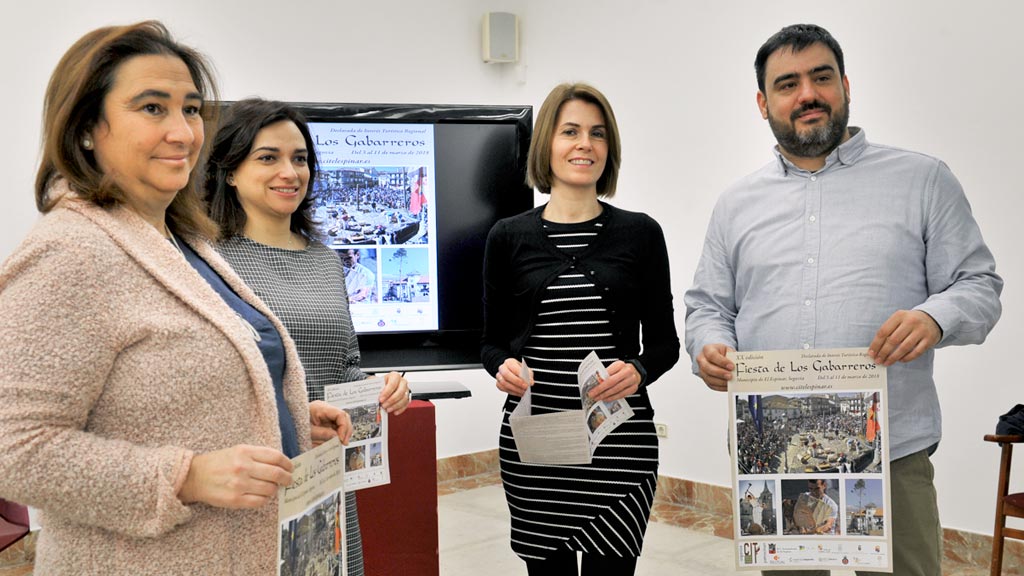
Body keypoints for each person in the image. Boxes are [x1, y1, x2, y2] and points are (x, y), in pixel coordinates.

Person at [0, 21, 353, 574]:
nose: (184, 133)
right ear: (87, 127)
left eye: (190, 109)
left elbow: (178, 402)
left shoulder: (183, 242)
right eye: (152, 108)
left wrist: (286, 420)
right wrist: (185, 476)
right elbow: (13, 449)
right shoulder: (70, 252)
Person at [684, 24, 1002, 576]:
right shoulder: (736, 204)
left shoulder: (922, 180)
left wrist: (934, 317)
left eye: (821, 77)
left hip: (892, 453)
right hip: (777, 456)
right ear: (763, 103)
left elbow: (979, 285)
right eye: (787, 83)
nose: (807, 93)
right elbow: (708, 304)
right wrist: (709, 344)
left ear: (845, 84)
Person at [204, 98, 411, 576]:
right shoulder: (210, 261)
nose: (289, 172)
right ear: (230, 171)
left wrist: (380, 386)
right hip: (253, 477)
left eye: (300, 159)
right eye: (268, 157)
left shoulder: (325, 260)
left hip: (325, 472)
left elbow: (344, 365)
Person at [481, 83, 679, 575]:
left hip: (619, 446)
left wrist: (638, 369)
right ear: (547, 143)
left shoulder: (641, 233)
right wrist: (500, 366)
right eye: (570, 131)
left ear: (609, 149)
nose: (584, 144)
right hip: (537, 447)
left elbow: (664, 344)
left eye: (597, 133)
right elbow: (490, 342)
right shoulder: (508, 237)